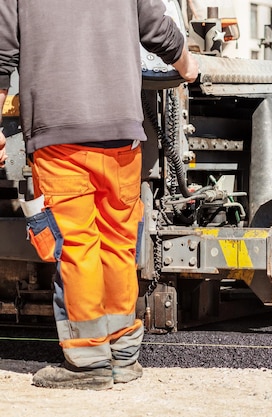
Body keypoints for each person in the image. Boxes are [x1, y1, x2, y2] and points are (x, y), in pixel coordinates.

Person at [0, 0, 199, 390]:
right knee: (118, 244)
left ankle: (88, 361)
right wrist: (187, 65)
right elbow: (157, 28)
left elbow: (1, 55)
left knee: (77, 246)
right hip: (121, 134)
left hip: (60, 136)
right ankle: (123, 356)